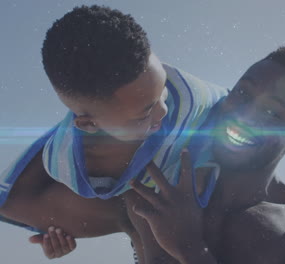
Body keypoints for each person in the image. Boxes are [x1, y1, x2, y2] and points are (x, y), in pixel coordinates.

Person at [0, 4, 225, 254]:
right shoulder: (65, 163)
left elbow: (231, 108)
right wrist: (57, 227)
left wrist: (206, 164)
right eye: (144, 114)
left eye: (162, 90)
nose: (163, 111)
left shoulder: (186, 95)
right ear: (89, 125)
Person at [127, 46, 285, 263]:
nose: (245, 116)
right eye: (243, 93)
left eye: (272, 113)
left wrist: (189, 247)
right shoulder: (154, 192)